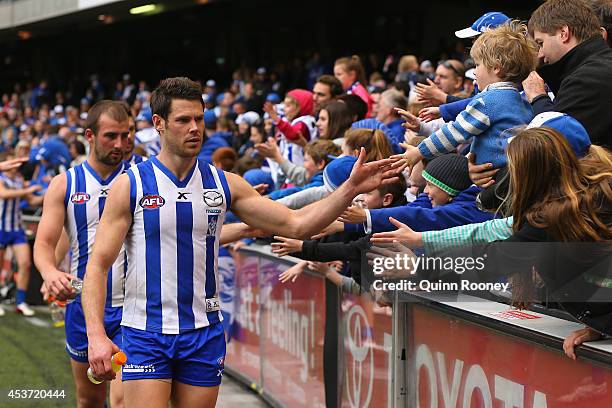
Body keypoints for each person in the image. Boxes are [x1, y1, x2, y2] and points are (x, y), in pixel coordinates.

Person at [81, 77, 395, 408]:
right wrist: (96, 335)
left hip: (203, 334)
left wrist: (350, 189)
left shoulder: (224, 183)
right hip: (146, 333)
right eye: (183, 120)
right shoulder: (130, 185)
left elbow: (296, 223)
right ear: (158, 124)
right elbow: (98, 265)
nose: (194, 128)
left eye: (199, 119)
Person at [33, 100, 130, 408]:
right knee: (89, 399)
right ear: (90, 135)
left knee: (124, 399)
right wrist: (50, 272)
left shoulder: (142, 178)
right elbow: (44, 244)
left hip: (134, 307)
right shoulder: (65, 184)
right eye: (110, 136)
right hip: (84, 308)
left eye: (126, 135)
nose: (120, 144)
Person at [397, 22, 537, 169]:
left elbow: (455, 132)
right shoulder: (521, 100)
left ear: (496, 67)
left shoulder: (488, 102)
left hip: (494, 180)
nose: (475, 71)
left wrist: (419, 152)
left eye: (477, 65)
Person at [522, 0, 612, 147]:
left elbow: (555, 146)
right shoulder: (597, 66)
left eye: (541, 43)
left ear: (564, 33)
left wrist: (538, 98)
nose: (540, 54)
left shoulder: (588, 79)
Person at [0, 153, 42, 317]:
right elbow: (3, 194)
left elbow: (32, 201)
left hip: (16, 227)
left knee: (25, 263)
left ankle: (20, 302)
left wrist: (50, 192)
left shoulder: (19, 180)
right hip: (1, 226)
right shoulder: (2, 178)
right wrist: (27, 190)